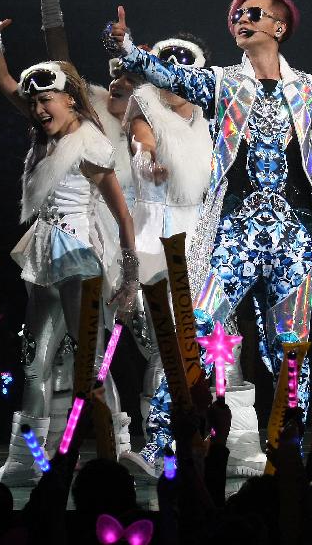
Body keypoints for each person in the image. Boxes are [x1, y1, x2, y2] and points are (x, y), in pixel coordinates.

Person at [104, 0, 312, 475]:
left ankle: (292, 451)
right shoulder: (224, 83)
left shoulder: (308, 89)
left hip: (293, 237)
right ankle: (161, 443)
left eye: (254, 13)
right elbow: (170, 75)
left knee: (289, 347)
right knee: (201, 328)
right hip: (238, 233)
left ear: (280, 26)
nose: (241, 20)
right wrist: (128, 50)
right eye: (235, 15)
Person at [0, 17, 138, 485]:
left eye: (47, 99)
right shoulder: (44, 132)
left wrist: (128, 276)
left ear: (70, 97)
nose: (39, 108)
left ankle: (115, 448)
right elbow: (6, 82)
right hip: (44, 258)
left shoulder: (89, 144)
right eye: (35, 102)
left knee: (91, 361)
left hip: (78, 260)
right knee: (33, 363)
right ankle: (28, 459)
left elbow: (123, 215)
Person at [37, 0, 144, 461]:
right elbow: (59, 62)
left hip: (147, 234)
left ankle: (135, 441)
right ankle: (95, 444)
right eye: (116, 70)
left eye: (130, 72)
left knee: (141, 348)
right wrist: (50, 3)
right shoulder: (93, 108)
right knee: (83, 350)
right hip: (94, 232)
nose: (120, 78)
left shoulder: (154, 117)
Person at [119, 33, 215, 475]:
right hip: (156, 229)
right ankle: (159, 446)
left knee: (202, 341)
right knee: (164, 342)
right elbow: (143, 144)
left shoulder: (207, 110)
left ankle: (201, 438)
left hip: (201, 229)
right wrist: (147, 161)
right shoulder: (144, 101)